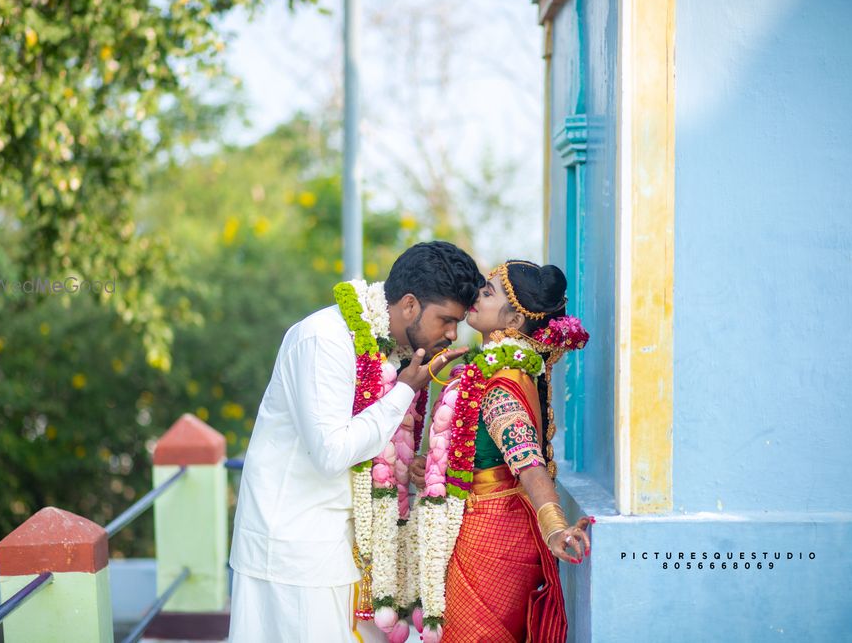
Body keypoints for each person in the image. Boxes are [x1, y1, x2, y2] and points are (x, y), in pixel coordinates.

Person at [228, 241, 484, 643]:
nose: (452, 334)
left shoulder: (393, 353)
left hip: (345, 552)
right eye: (446, 320)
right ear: (410, 305)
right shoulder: (324, 340)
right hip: (295, 553)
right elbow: (331, 453)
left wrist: (411, 467)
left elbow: (372, 448)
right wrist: (402, 393)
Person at [411, 260, 594, 643]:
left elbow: (528, 464)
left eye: (489, 292)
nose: (477, 294)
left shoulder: (500, 382)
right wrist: (433, 471)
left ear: (512, 321)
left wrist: (556, 528)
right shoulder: (490, 371)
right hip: (482, 522)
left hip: (492, 534)